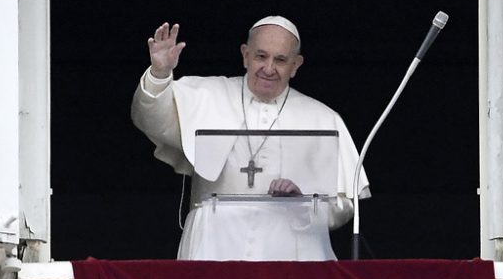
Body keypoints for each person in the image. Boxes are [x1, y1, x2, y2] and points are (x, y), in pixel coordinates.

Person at [132, 16, 369, 260]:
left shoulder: (323, 118)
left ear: (296, 65)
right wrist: (159, 74)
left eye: (280, 60)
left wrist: (304, 203)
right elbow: (150, 120)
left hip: (293, 252)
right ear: (245, 55)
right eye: (260, 56)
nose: (268, 68)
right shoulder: (207, 94)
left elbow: (344, 203)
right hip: (214, 246)